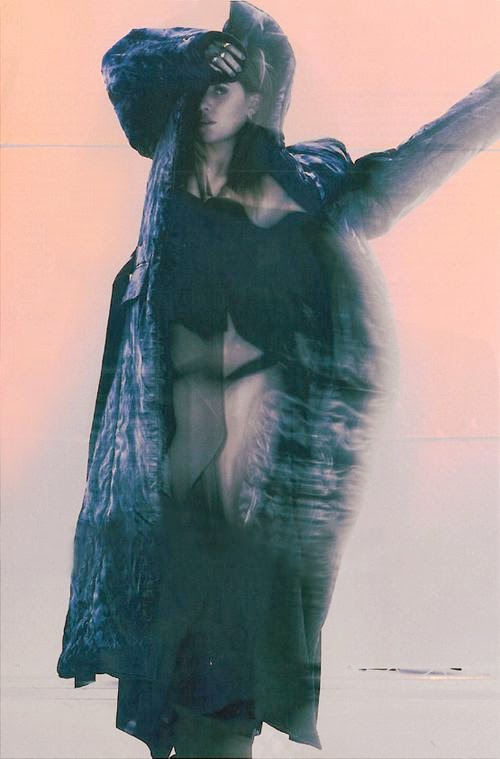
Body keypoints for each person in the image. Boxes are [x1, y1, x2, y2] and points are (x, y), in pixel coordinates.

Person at [57, 2, 500, 757]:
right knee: (185, 728)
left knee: (221, 727)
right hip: (164, 527)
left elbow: (418, 159)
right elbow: (126, 72)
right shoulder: (162, 237)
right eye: (200, 88)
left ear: (259, 98)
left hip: (253, 524)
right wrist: (197, 50)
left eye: (228, 85)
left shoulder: (309, 197)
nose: (209, 101)